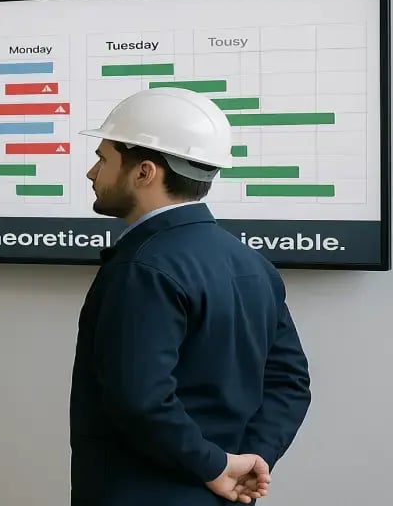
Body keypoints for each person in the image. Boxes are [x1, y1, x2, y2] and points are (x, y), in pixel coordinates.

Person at [69, 87, 312, 505]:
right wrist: (251, 459)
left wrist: (214, 465)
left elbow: (140, 399)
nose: (92, 173)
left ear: (144, 172)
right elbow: (290, 382)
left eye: (103, 159)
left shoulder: (141, 268)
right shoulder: (252, 264)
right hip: (226, 494)